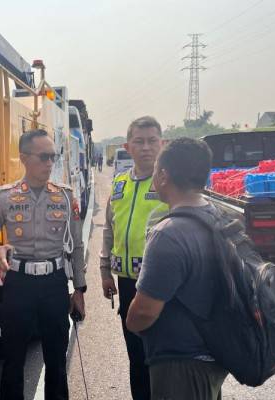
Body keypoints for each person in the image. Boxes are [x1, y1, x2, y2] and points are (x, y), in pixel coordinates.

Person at [0, 129, 87, 400]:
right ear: (24, 158)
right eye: (44, 156)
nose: (50, 163)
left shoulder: (65, 196)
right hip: (19, 285)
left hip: (54, 284)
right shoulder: (3, 196)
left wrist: (80, 290)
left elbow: (77, 246)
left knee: (57, 359)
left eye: (53, 156)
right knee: (13, 359)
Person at [126, 138, 228, 400]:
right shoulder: (219, 217)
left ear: (162, 176)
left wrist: (133, 324)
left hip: (182, 363)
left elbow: (144, 312)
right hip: (216, 353)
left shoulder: (168, 234)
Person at [99, 116, 167, 400]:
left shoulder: (169, 183)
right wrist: (104, 270)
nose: (146, 147)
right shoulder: (119, 184)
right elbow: (109, 228)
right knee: (136, 356)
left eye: (152, 141)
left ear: (161, 144)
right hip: (126, 283)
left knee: (162, 358)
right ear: (127, 146)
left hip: (162, 284)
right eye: (139, 141)